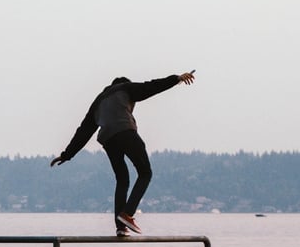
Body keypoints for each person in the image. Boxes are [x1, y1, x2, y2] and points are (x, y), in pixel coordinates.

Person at [51, 71, 195, 236]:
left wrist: (67, 154)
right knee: (145, 172)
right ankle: (128, 214)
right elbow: (151, 87)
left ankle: (120, 227)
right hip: (125, 131)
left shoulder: (98, 101)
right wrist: (176, 79)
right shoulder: (125, 88)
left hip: (108, 140)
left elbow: (84, 130)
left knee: (122, 179)